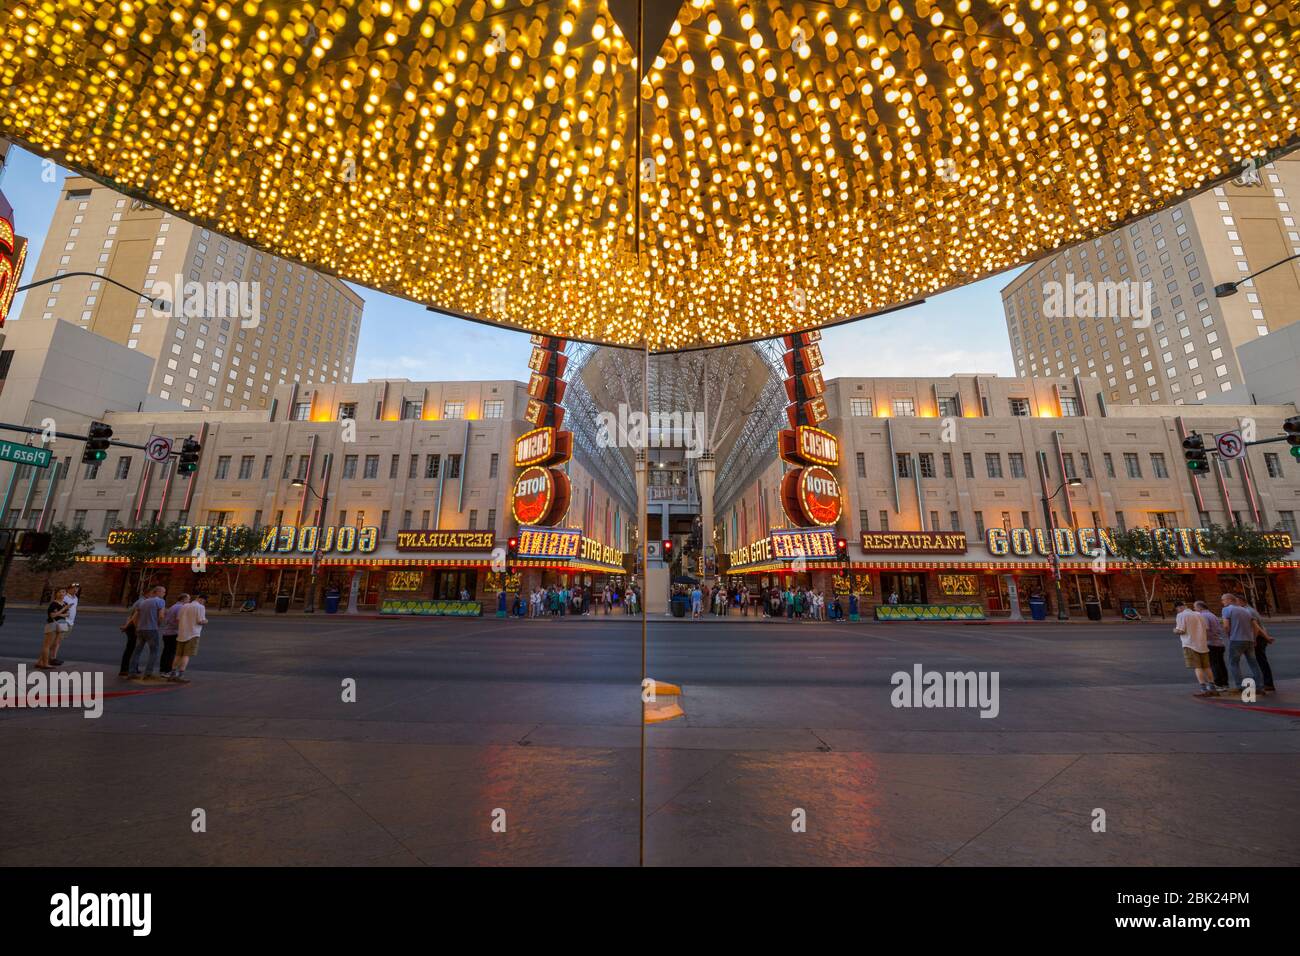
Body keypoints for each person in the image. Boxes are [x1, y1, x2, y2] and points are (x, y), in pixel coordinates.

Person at [1221, 593, 1267, 695]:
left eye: (1223, 600)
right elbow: (1255, 627)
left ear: (1229, 600)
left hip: (1236, 640)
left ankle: (1240, 686)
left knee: (1234, 663)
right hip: (1249, 640)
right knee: (1253, 663)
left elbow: (1226, 626)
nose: (1222, 602)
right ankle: (1260, 686)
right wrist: (1254, 638)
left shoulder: (1227, 609)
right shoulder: (1246, 610)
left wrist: (1228, 635)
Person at [1173, 601, 1216, 697]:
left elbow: (1181, 630)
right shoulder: (1199, 614)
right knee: (1206, 667)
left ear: (1179, 608)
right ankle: (1212, 687)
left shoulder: (1181, 615)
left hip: (1190, 644)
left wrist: (1174, 630)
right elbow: (1206, 628)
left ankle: (1203, 689)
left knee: (1198, 667)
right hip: (1202, 644)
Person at [1237, 593, 1276, 693]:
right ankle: (1265, 682)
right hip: (1260, 638)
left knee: (1261, 662)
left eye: (1236, 602)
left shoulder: (1247, 611)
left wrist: (1254, 639)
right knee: (1260, 661)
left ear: (1241, 601)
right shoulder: (1250, 610)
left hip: (1258, 638)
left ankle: (1267, 683)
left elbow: (1256, 628)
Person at [128, 585, 167, 681]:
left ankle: (131, 672)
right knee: (154, 651)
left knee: (137, 651)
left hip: (141, 629)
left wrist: (137, 627)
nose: (164, 594)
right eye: (163, 592)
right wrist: (158, 624)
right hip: (152, 629)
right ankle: (148, 673)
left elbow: (135, 616)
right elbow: (161, 616)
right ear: (157, 592)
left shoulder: (143, 602)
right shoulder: (160, 601)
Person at [168, 594, 207, 683]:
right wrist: (206, 621)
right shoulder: (201, 607)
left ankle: (172, 674)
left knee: (178, 655)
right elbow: (200, 621)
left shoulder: (184, 606)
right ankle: (181, 675)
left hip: (182, 633)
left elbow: (178, 619)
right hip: (193, 633)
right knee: (186, 655)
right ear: (202, 600)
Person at [1194, 600, 1229, 691]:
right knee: (1221, 664)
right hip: (1219, 642)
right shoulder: (1212, 615)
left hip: (1211, 643)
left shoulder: (1203, 616)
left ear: (1200, 607)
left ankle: (1218, 684)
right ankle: (1224, 683)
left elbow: (1205, 629)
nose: (1194, 609)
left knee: (1214, 664)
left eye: (1195, 607)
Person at [35, 587, 70, 669]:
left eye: (63, 592)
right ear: (56, 593)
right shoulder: (54, 604)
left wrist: (59, 613)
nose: (62, 594)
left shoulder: (64, 603)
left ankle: (39, 662)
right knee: (47, 645)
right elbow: (52, 615)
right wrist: (63, 610)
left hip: (61, 624)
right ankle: (45, 664)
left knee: (54, 645)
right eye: (60, 592)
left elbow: (67, 614)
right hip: (52, 624)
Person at [160, 592, 191, 677]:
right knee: (171, 653)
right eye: (188, 599)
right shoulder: (181, 607)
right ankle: (168, 671)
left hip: (167, 632)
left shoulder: (173, 606)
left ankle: (163, 670)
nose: (189, 601)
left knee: (166, 652)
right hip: (174, 633)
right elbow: (178, 620)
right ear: (184, 599)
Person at [49, 583, 80, 666]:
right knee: (56, 641)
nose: (76, 590)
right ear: (69, 589)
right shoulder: (65, 597)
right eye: (74, 588)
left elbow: (74, 609)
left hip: (70, 622)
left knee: (59, 641)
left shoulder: (76, 598)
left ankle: (50, 657)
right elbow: (58, 608)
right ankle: (52, 658)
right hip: (63, 621)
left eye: (77, 588)